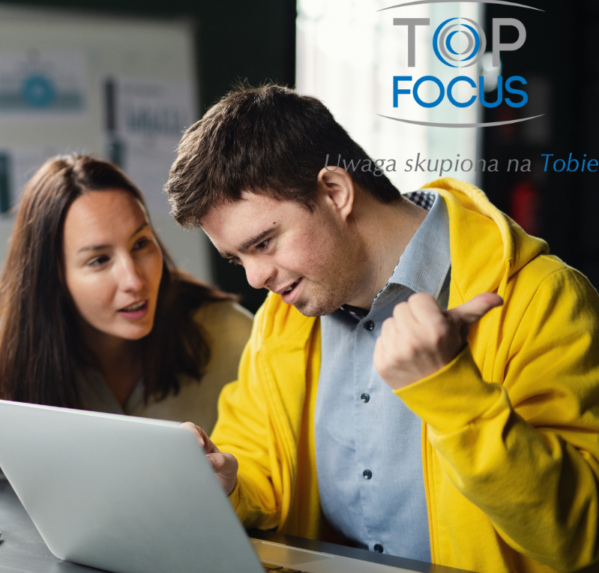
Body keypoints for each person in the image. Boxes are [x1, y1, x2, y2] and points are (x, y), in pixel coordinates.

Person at [164, 84, 599, 573]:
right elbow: (264, 468)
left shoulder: (542, 296)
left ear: (336, 192)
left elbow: (582, 535)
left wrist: (449, 389)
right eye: (236, 257)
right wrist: (228, 481)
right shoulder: (283, 315)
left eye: (263, 243)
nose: (255, 278)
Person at [0, 154, 253, 480]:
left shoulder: (230, 333)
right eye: (98, 260)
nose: (134, 281)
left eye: (140, 243)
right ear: (53, 276)